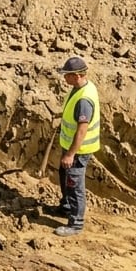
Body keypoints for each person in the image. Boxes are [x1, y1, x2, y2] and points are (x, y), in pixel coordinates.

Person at [53, 55, 100, 237]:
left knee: (74, 183)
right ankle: (66, 207)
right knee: (64, 174)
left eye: (67, 75)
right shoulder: (79, 88)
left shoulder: (84, 99)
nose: (64, 78)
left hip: (79, 150)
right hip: (70, 146)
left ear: (78, 75)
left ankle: (76, 223)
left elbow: (81, 130)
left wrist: (70, 154)